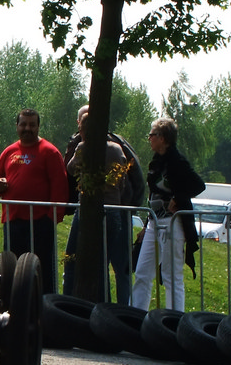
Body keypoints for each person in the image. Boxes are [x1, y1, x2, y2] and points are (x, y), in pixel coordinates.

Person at [130, 117, 205, 312]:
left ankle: (174, 322)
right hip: (154, 222)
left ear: (162, 138)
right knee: (142, 273)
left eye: (152, 135)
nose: (149, 138)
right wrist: (146, 225)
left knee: (171, 276)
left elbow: (199, 185)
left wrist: (179, 199)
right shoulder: (156, 162)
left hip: (173, 223)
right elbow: (154, 194)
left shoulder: (177, 161)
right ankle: (136, 316)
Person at [0, 109, 67, 294]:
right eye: (23, 124)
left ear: (38, 127)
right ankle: (12, 305)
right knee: (12, 270)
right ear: (17, 126)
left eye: (32, 125)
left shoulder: (50, 152)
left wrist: (51, 219)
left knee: (41, 271)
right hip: (13, 222)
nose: (27, 128)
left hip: (40, 223)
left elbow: (60, 187)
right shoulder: (9, 152)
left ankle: (42, 306)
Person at [64, 105, 133, 304]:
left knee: (72, 256)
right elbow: (122, 180)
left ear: (84, 130)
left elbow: (70, 169)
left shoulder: (83, 147)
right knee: (104, 262)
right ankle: (106, 305)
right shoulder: (117, 148)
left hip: (88, 209)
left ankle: (68, 300)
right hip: (113, 210)